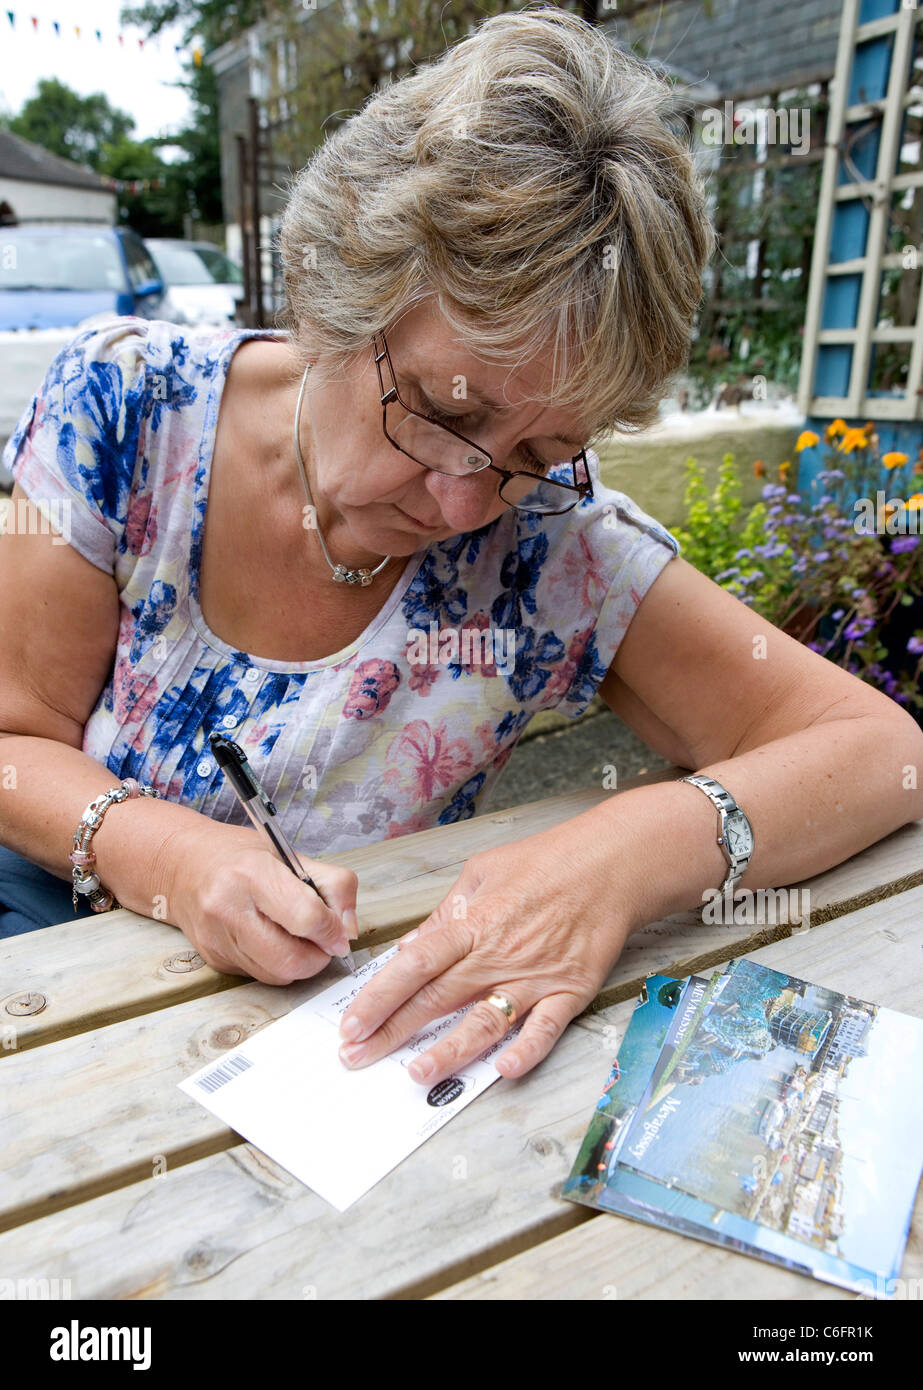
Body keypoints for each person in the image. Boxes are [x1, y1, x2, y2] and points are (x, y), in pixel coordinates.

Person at [0, 8, 920, 1091]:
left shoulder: (553, 551)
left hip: (313, 1053)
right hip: (49, 960)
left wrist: (625, 852)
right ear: (343, 293)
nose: (463, 500)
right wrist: (174, 856)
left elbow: (879, 752)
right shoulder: (128, 406)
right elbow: (13, 737)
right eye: (443, 410)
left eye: (540, 447)